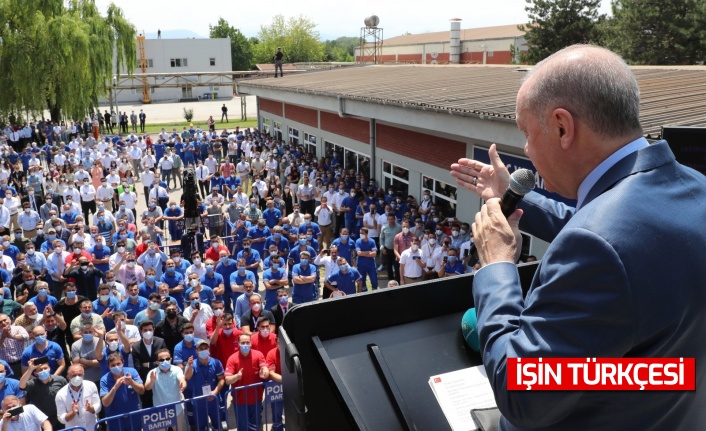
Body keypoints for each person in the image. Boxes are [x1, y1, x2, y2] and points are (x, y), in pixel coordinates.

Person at [450, 44, 706, 430]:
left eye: (526, 133)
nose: (526, 149)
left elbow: (520, 393)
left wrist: (497, 265)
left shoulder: (598, 245)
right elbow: (615, 233)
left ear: (562, 127)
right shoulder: (692, 188)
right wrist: (519, 198)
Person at [224, 333, 269, 431]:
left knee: (255, 425)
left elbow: (264, 368)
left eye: (247, 342)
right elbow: (227, 380)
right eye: (243, 343)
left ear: (251, 343)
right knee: (243, 427)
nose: (245, 345)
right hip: (240, 401)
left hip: (256, 399)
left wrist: (265, 373)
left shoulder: (258, 355)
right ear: (238, 344)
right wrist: (237, 376)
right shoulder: (232, 358)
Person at [144, 348, 187, 431]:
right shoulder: (152, 372)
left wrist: (183, 383)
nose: (165, 361)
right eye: (162, 360)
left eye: (167, 359)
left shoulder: (176, 369)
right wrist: (152, 380)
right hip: (160, 413)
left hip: (177, 410)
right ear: (157, 362)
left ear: (171, 359)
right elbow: (147, 387)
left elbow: (181, 379)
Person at [99, 352, 145, 431]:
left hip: (133, 416)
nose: (116, 366)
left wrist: (132, 382)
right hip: (115, 419)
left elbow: (142, 390)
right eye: (113, 365)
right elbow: (105, 403)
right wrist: (115, 387)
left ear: (123, 363)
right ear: (108, 366)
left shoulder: (132, 372)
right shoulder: (104, 379)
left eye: (118, 364)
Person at [19, 358, 67, 430]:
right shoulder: (32, 384)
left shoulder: (60, 380)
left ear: (49, 368)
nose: (43, 371)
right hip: (43, 420)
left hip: (60, 417)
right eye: (40, 370)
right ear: (35, 373)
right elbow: (21, 386)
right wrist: (30, 369)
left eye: (45, 368)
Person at [186, 340, 225, 431]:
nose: (203, 350)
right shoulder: (192, 364)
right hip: (199, 402)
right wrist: (190, 366)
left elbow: (221, 379)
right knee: (201, 427)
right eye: (201, 349)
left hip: (214, 400)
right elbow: (187, 377)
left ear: (209, 349)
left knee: (217, 426)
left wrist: (215, 392)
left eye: (205, 348)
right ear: (197, 351)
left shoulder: (216, 362)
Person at [55, 364, 101, 430]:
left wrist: (91, 408)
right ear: (68, 377)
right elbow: (61, 418)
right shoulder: (61, 394)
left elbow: (98, 405)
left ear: (83, 375)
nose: (77, 377)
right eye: (74, 375)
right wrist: (72, 413)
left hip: (92, 427)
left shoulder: (91, 385)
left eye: (79, 375)